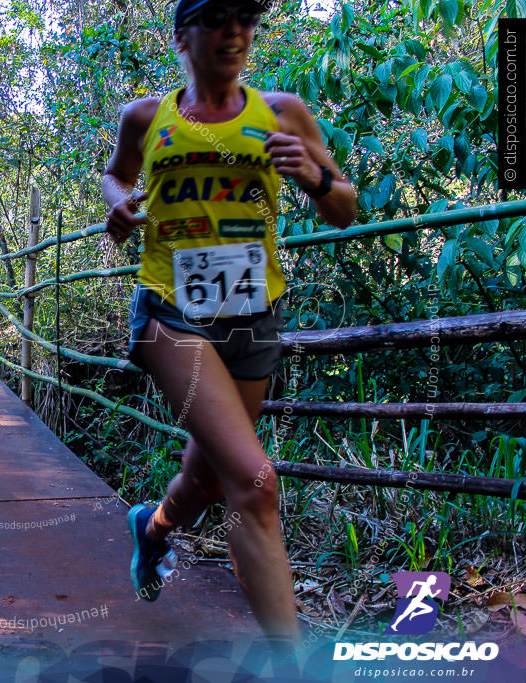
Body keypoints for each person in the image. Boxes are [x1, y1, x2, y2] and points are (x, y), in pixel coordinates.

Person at [102, 0, 356, 647]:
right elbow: (116, 176)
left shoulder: (281, 112)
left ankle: (153, 528)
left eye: (246, 16)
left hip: (251, 318)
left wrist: (317, 174)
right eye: (217, 17)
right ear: (183, 33)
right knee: (255, 481)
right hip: (169, 313)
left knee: (209, 476)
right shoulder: (146, 118)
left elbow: (343, 209)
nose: (235, 31)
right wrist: (122, 207)